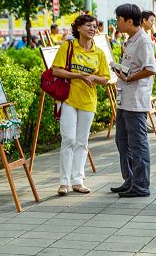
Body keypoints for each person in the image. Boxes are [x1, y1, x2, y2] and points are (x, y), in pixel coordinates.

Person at [52, 15, 110, 195]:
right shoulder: (68, 46)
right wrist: (77, 76)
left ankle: (77, 180)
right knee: (68, 139)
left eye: (95, 26)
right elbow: (56, 70)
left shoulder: (98, 53)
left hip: (88, 101)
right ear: (78, 28)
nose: (93, 29)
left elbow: (106, 79)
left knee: (82, 141)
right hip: (68, 98)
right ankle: (64, 182)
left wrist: (93, 77)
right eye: (88, 26)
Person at [110, 4, 156, 198]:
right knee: (122, 141)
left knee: (137, 143)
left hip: (135, 100)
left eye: (119, 19)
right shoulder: (130, 40)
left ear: (129, 21)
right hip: (124, 98)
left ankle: (141, 185)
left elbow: (150, 68)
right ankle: (130, 180)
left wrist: (129, 77)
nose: (117, 23)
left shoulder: (143, 41)